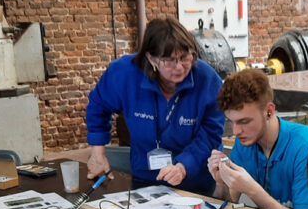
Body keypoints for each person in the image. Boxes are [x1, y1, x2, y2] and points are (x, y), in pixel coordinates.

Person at [86, 16, 224, 194]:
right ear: (151, 59)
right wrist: (97, 153)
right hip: (145, 176)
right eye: (169, 61)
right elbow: (98, 105)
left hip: (195, 178)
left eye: (185, 57)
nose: (180, 67)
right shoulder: (124, 74)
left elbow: (211, 134)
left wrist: (183, 166)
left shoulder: (208, 80)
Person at [206, 69, 308, 209]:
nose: (236, 131)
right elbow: (228, 208)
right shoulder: (244, 143)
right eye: (230, 121)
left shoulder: (304, 145)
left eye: (244, 121)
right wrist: (221, 183)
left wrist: (253, 191)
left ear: (269, 111)